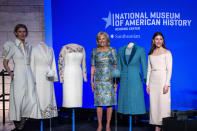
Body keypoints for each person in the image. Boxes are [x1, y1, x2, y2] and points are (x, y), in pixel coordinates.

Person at [2, 24, 41, 131]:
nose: (22, 33)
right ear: (15, 33)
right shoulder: (12, 45)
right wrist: (10, 73)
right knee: (18, 100)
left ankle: (22, 125)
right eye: (19, 31)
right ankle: (19, 126)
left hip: (29, 73)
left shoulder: (29, 46)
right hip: (18, 74)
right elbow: (5, 61)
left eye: (24, 31)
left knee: (31, 100)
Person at [91, 32, 117, 131]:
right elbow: (93, 66)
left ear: (107, 40)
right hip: (98, 80)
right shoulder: (94, 51)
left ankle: (108, 125)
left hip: (110, 80)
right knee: (99, 103)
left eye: (103, 39)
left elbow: (115, 65)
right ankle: (100, 125)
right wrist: (92, 81)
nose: (102, 41)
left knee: (109, 103)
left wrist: (115, 82)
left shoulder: (112, 50)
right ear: (97, 41)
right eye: (100, 39)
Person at [146, 32, 172, 131]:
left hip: (162, 81)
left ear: (163, 41)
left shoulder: (167, 52)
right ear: (153, 41)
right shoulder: (150, 54)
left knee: (163, 106)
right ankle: (157, 128)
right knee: (155, 106)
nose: (159, 41)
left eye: (161, 39)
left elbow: (169, 70)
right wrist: (147, 84)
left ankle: (161, 128)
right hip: (153, 82)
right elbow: (149, 69)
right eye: (156, 39)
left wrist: (167, 84)